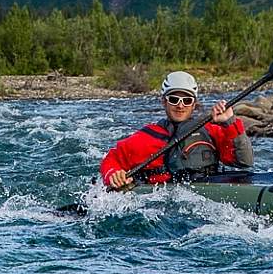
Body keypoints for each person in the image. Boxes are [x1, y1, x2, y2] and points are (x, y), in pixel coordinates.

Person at [100, 71, 254, 189]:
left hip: (207, 194)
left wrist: (229, 122)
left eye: (187, 100)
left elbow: (244, 162)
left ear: (194, 105)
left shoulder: (211, 131)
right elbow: (111, 160)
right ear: (164, 102)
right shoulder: (146, 138)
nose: (180, 105)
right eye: (174, 99)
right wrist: (114, 175)